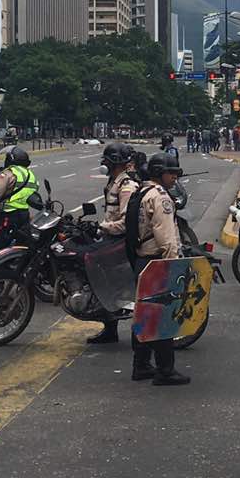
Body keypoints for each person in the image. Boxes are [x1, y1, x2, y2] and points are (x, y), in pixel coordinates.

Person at [130, 153, 190, 386]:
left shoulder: (141, 192)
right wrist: (173, 268)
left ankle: (141, 365)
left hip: (142, 262)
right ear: (158, 173)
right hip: (158, 263)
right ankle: (165, 370)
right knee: (164, 319)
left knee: (144, 317)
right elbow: (167, 239)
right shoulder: (161, 198)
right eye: (170, 172)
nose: (174, 177)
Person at [87, 142, 138, 345]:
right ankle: (109, 328)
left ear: (116, 163)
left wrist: (105, 227)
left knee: (102, 278)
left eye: (108, 160)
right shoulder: (114, 182)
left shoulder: (126, 187)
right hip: (110, 236)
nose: (104, 163)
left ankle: (112, 324)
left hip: (119, 239)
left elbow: (125, 223)